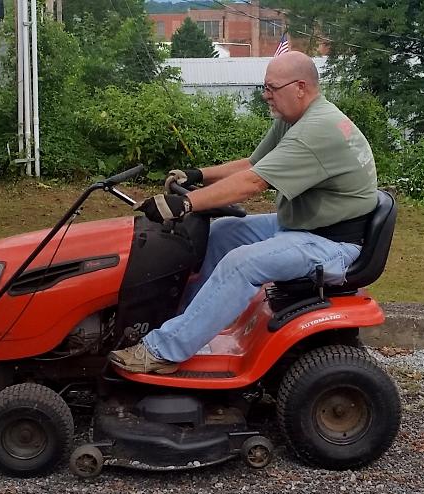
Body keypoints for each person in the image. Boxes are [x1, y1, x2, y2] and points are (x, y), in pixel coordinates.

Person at [109, 51, 378, 375]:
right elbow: (253, 164)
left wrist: (187, 203)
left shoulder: (317, 130)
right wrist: (197, 175)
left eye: (271, 88)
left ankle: (163, 351)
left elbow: (253, 183)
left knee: (242, 263)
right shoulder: (297, 119)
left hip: (331, 242)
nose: (265, 95)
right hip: (304, 225)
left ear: (300, 87)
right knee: (223, 234)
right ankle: (184, 320)